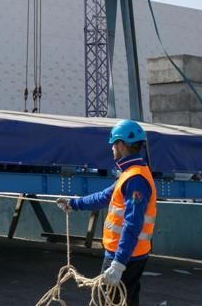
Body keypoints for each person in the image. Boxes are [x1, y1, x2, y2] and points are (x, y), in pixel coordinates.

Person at [56, 119, 157, 306]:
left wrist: (119, 264)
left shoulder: (135, 179)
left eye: (113, 144)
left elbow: (132, 224)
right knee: (127, 299)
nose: (111, 149)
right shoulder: (132, 173)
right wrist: (74, 204)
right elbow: (104, 197)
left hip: (125, 255)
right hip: (133, 254)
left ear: (121, 145)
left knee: (107, 301)